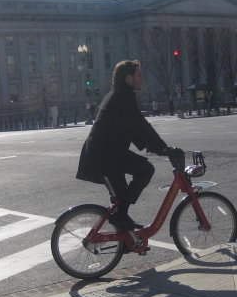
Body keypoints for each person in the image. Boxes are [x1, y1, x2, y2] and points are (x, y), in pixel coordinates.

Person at [76, 60, 179, 231]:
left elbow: (134, 128)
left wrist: (159, 147)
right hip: (105, 155)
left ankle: (124, 238)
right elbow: (139, 125)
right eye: (138, 75)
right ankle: (120, 217)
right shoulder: (123, 96)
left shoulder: (118, 94)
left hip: (105, 154)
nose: (141, 79)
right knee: (145, 170)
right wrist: (163, 148)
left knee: (120, 201)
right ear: (128, 77)